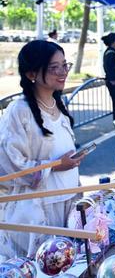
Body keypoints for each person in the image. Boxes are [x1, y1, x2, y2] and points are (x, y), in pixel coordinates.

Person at [0, 40, 86, 259]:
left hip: (67, 203)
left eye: (64, 65)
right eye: (53, 67)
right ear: (32, 73)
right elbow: (8, 166)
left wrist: (71, 162)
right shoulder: (19, 111)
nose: (62, 72)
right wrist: (56, 166)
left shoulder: (59, 105)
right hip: (37, 211)